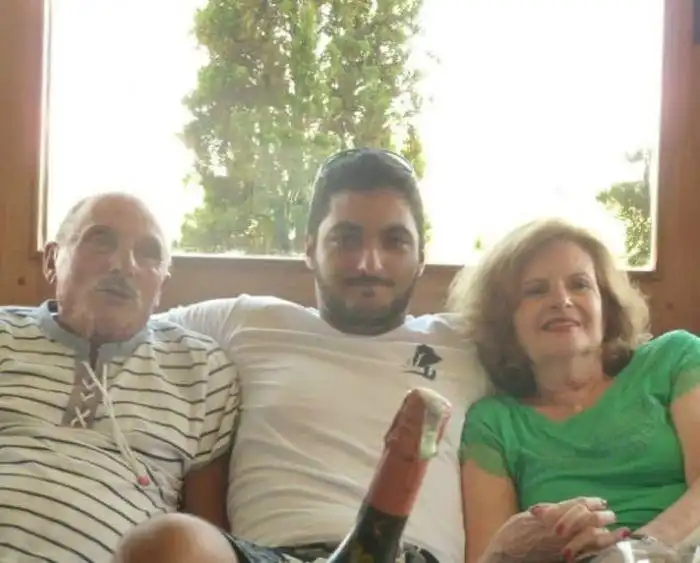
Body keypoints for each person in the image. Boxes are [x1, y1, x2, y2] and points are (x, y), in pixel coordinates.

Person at [116, 148, 491, 563]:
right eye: (346, 240)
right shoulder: (247, 322)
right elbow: (127, 325)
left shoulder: (465, 344)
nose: (369, 263)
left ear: (421, 257)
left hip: (412, 557)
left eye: (394, 242)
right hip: (273, 557)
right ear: (310, 248)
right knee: (167, 542)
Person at [0, 193, 240, 562]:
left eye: (148, 253)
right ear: (51, 260)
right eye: (101, 241)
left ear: (161, 287)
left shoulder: (202, 368)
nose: (124, 265)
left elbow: (208, 539)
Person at [448, 218, 700, 563]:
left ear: (606, 306)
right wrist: (526, 543)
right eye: (536, 290)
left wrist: (634, 551)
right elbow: (489, 556)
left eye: (580, 284)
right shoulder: (493, 422)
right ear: (505, 320)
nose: (561, 300)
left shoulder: (674, 359)